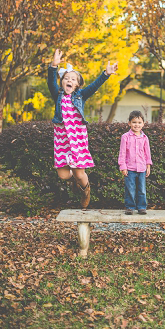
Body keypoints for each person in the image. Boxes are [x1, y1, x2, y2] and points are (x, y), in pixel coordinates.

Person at [48, 49, 117, 209]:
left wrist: (105, 74)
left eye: (73, 79)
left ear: (77, 84)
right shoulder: (57, 94)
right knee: (64, 175)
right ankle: (77, 181)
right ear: (62, 81)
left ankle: (86, 191)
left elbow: (94, 86)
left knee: (80, 173)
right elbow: (50, 82)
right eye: (66, 78)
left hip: (77, 137)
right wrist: (53, 66)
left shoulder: (80, 95)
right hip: (62, 137)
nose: (69, 80)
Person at [118, 110, 153, 215]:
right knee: (130, 189)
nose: (136, 125)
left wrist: (148, 166)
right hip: (130, 168)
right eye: (134, 122)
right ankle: (130, 207)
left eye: (139, 122)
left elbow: (147, 153)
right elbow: (122, 153)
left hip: (142, 168)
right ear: (129, 123)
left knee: (142, 189)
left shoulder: (145, 138)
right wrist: (123, 166)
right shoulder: (125, 137)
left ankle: (142, 207)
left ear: (143, 124)